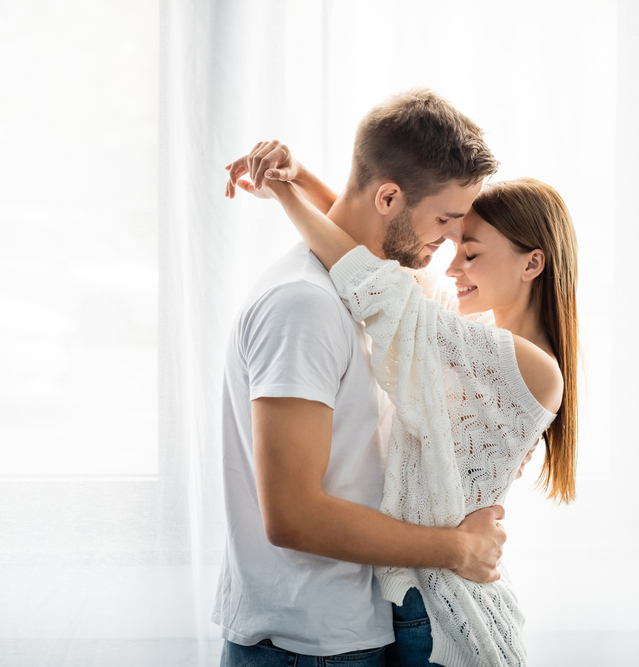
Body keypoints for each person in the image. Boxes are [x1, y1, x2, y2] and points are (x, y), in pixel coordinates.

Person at [229, 142, 579, 666]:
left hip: (442, 610)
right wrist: (306, 178)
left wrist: (287, 193)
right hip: (419, 599)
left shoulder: (529, 366)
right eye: (455, 243)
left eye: (472, 252)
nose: (452, 264)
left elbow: (376, 283)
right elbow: (377, 255)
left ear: (533, 263)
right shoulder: (473, 334)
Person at [212, 89, 506, 667]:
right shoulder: (303, 306)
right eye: (445, 219)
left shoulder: (368, 289)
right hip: (306, 647)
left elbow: (357, 243)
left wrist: (296, 180)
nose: (450, 240)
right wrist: (458, 549)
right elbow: (293, 514)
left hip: (357, 630)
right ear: (390, 196)